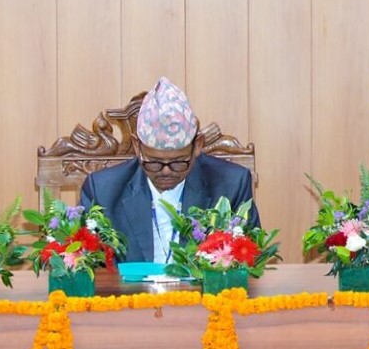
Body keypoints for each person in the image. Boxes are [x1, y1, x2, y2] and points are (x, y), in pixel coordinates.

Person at [80, 77, 260, 264]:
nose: (166, 172)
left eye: (178, 162)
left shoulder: (231, 185)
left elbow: (250, 260)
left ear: (197, 145)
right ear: (137, 146)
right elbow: (86, 266)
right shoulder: (102, 190)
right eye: (154, 162)